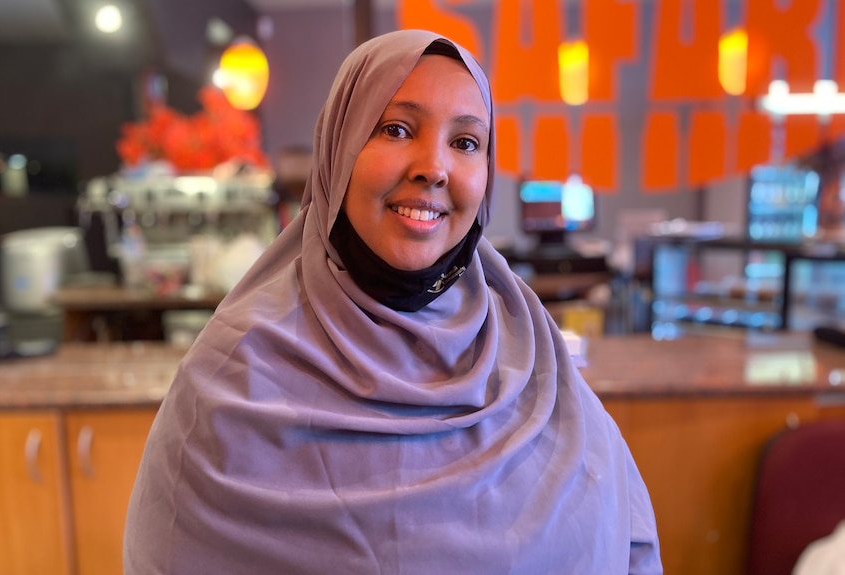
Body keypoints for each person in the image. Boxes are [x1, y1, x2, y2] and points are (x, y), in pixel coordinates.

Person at [123, 29, 662, 574]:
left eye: (466, 142)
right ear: (339, 149)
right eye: (397, 129)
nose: (434, 167)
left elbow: (627, 535)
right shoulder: (234, 374)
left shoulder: (531, 351)